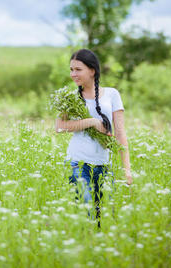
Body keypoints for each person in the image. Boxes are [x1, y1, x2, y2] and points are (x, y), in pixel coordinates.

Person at [55, 48, 132, 227]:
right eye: (71, 69)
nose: (73, 74)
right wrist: (91, 122)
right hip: (77, 164)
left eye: (78, 69)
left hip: (104, 164)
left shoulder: (112, 94)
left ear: (92, 70)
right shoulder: (71, 97)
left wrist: (126, 169)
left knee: (105, 217)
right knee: (88, 214)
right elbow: (59, 128)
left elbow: (120, 133)